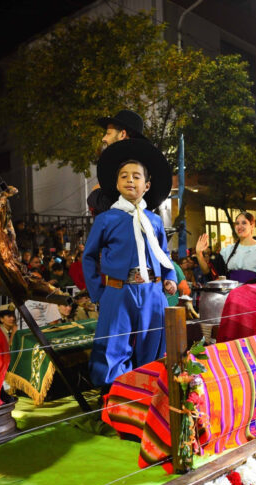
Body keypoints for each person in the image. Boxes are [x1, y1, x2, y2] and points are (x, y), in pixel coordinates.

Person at [82, 138, 177, 387]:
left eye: (136, 176)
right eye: (124, 176)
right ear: (116, 183)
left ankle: (147, 399)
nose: (129, 180)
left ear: (146, 185)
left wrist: (170, 278)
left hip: (152, 293)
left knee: (153, 347)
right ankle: (112, 402)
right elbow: (89, 256)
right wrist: (98, 293)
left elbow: (163, 255)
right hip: (117, 292)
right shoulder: (106, 219)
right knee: (112, 348)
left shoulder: (154, 221)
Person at [87, 109, 148, 216]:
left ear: (122, 134)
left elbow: (109, 205)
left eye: (108, 133)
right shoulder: (142, 164)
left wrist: (95, 194)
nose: (103, 138)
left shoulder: (126, 166)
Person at [195, 212, 256, 284]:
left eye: (244, 223)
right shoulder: (227, 250)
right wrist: (199, 253)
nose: (240, 226)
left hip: (252, 294)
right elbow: (210, 273)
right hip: (231, 294)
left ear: (252, 226)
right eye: (237, 223)